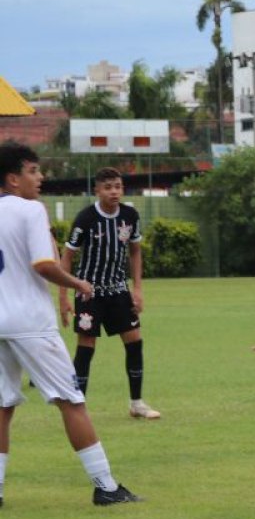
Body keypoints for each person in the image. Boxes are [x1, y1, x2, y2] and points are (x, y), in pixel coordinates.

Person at [0, 142, 141, 506]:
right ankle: (106, 487)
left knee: (2, 406)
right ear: (13, 179)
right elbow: (44, 265)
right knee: (72, 400)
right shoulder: (30, 210)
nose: (40, 177)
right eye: (33, 171)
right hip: (30, 320)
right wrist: (76, 283)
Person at [59, 168, 160, 419]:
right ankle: (77, 405)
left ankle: (136, 403)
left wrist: (137, 289)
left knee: (134, 342)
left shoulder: (130, 215)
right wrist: (63, 298)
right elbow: (67, 257)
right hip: (88, 293)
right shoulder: (85, 218)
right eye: (108, 187)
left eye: (117, 186)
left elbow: (135, 251)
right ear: (97, 190)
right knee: (86, 346)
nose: (114, 191)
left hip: (118, 291)